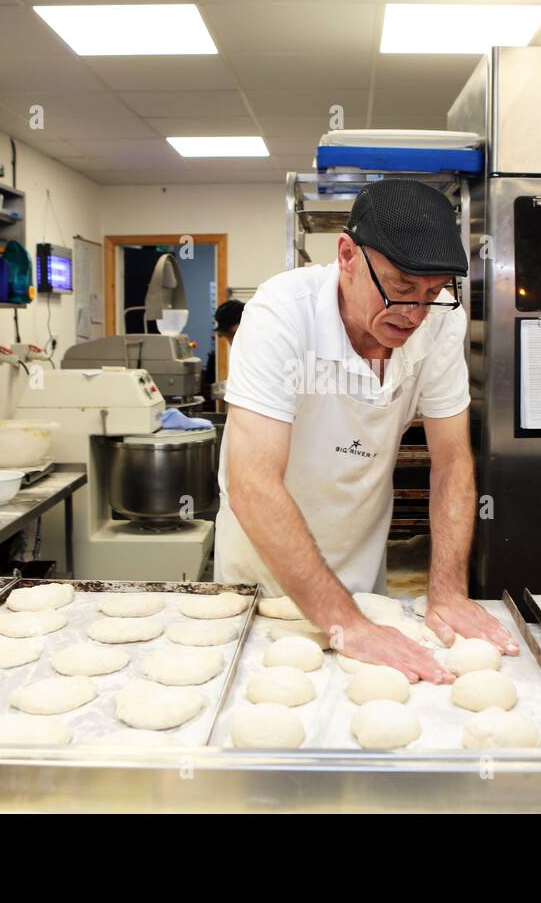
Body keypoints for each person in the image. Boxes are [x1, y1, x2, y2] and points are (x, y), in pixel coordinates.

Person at [214, 179, 518, 683]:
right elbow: (252, 484)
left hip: (361, 574)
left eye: (433, 292)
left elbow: (452, 463)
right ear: (347, 255)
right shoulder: (281, 315)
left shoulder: (440, 322)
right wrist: (344, 623)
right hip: (264, 580)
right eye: (400, 288)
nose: (414, 314)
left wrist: (447, 593)